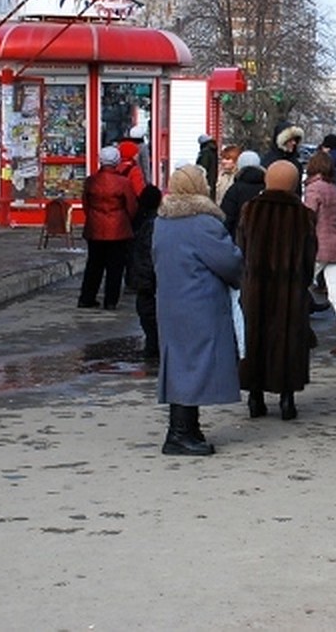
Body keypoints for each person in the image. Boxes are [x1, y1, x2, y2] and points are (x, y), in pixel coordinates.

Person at [153, 165, 243, 456]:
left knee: (180, 362)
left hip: (170, 302)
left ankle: (187, 428)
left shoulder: (162, 221)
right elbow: (229, 263)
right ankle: (180, 434)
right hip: (200, 303)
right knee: (195, 364)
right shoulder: (204, 223)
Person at [237, 160, 316, 421]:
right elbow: (308, 256)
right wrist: (302, 282)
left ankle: (255, 396)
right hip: (290, 290)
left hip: (255, 288)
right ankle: (286, 399)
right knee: (288, 339)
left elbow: (241, 250)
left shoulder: (250, 211)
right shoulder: (303, 215)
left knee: (255, 336)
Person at [77, 146, 138, 309]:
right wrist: (127, 220)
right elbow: (131, 206)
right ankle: (110, 301)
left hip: (95, 227)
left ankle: (86, 297)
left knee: (93, 265)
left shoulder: (91, 181)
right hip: (118, 228)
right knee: (115, 266)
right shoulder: (123, 182)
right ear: (117, 161)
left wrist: (92, 217)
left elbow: (85, 204)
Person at [303, 151, 336, 354]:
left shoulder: (314, 189)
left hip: (317, 247)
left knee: (298, 287)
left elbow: (308, 217)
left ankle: (299, 334)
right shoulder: (334, 188)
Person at [127, 184, 163, 362]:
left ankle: (153, 345)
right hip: (151, 276)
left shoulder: (141, 220)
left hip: (144, 276)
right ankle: (154, 344)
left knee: (146, 310)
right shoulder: (156, 223)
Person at [219, 149, 266, 237]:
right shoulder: (266, 188)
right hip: (261, 239)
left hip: (238, 239)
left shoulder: (235, 189)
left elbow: (226, 218)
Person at [196, 133, 218, 198]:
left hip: (206, 182)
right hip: (212, 180)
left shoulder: (205, 152)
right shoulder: (213, 150)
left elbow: (202, 168)